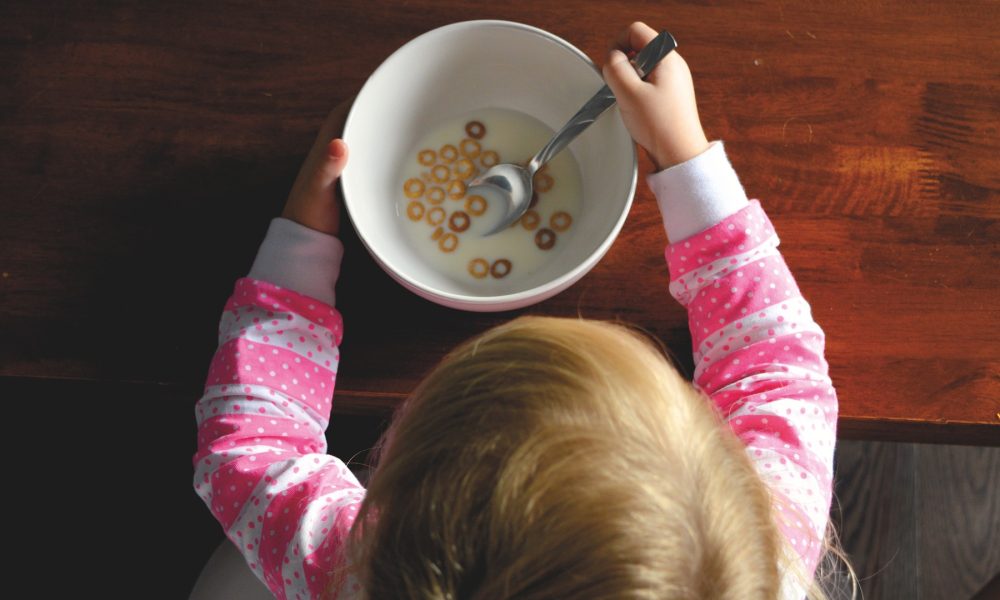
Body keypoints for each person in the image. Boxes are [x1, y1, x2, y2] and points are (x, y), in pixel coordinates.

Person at [193, 21, 851, 599]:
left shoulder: (356, 570)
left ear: (402, 507)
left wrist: (302, 241)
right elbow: (775, 370)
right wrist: (684, 154)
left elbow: (252, 448)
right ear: (721, 470)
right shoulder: (760, 556)